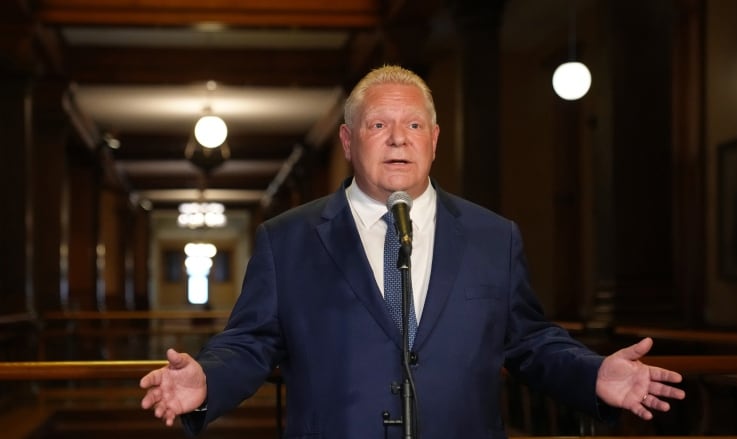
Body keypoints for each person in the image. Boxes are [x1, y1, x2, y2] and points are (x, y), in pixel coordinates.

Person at [140, 65, 685, 438]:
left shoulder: (495, 236)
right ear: (350, 142)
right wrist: (208, 379)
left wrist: (591, 374)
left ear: (434, 139)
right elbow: (252, 342)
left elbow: (529, 341)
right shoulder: (288, 239)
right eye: (379, 125)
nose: (398, 139)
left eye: (413, 125)